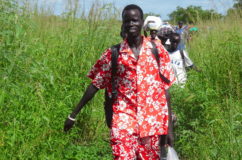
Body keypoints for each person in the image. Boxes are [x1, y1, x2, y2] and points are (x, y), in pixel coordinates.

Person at [63, 4, 176, 160]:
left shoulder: (157, 51)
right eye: (127, 20)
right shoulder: (114, 54)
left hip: (151, 123)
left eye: (135, 20)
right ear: (122, 23)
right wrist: (73, 114)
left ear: (142, 22)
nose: (131, 24)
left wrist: (168, 127)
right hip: (123, 120)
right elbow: (96, 84)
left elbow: (166, 90)